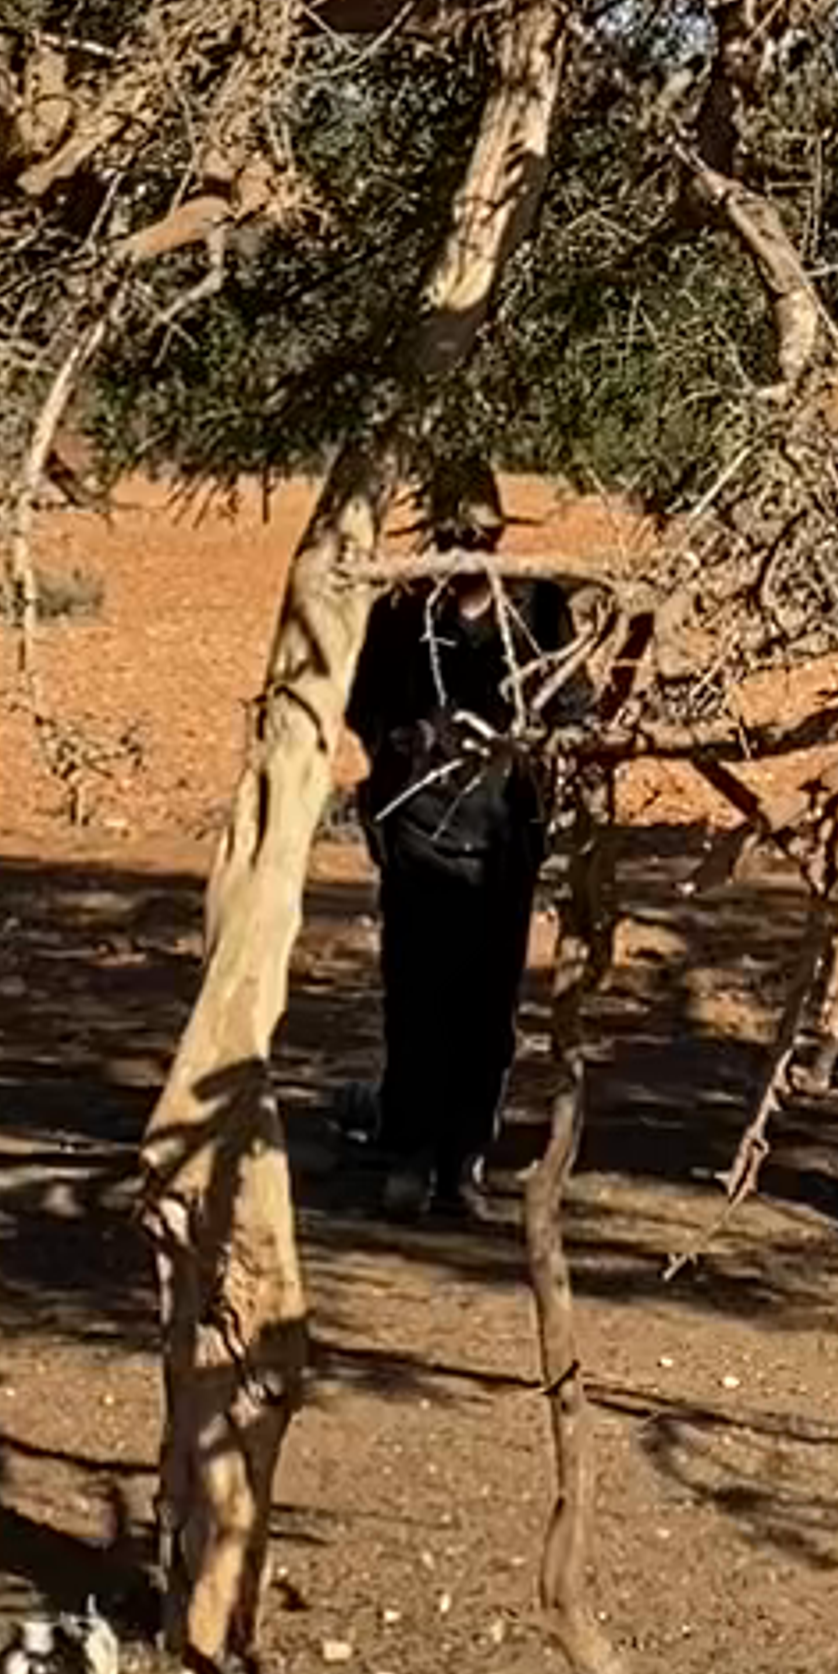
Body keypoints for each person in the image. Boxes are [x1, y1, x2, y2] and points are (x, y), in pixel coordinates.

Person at [343, 486, 580, 1227]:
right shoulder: (401, 612)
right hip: (418, 837)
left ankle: (463, 1160)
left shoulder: (539, 606)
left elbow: (576, 707)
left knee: (488, 1009)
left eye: (482, 535)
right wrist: (408, 746)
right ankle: (409, 1154)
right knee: (415, 1001)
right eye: (454, 534)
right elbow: (364, 708)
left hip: (506, 840)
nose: (469, 549)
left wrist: (534, 752)